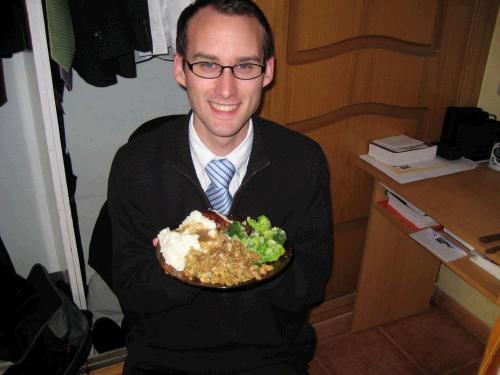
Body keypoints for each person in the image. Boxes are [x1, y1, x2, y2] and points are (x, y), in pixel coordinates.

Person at [107, 0, 333, 373]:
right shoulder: (134, 166)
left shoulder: (304, 162)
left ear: (267, 72)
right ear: (181, 69)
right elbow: (132, 290)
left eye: (245, 66)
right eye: (208, 64)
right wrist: (182, 263)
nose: (226, 89)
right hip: (165, 355)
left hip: (271, 353)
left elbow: (312, 286)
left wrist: (253, 259)